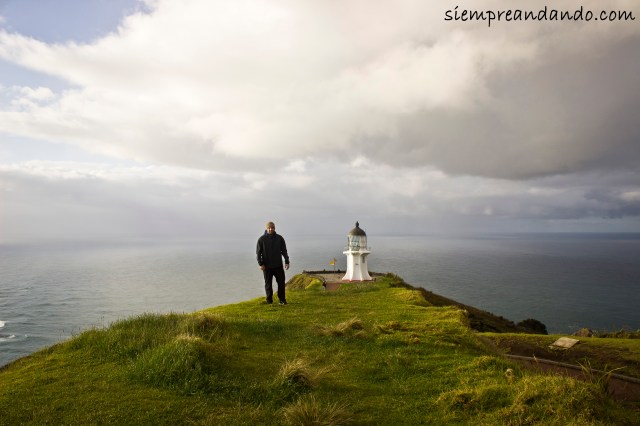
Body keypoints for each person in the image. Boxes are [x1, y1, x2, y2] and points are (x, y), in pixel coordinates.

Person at [256, 221, 290, 305]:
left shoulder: (279, 238)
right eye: (269, 228)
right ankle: (269, 301)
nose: (270, 229)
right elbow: (258, 253)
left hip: (278, 265)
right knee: (268, 284)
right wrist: (261, 264)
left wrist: (286, 261)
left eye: (272, 228)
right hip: (266, 267)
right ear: (266, 228)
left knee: (281, 283)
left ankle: (282, 300)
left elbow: (284, 251)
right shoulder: (261, 239)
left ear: (274, 228)